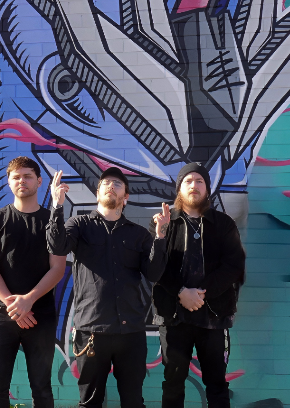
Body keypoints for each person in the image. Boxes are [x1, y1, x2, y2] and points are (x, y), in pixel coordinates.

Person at [46, 166, 170, 408]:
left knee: (133, 402)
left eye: (117, 184)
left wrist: (160, 237)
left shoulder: (138, 234)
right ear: (97, 192)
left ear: (126, 197)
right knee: (89, 402)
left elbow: (154, 273)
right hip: (91, 331)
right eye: (106, 183)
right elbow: (56, 246)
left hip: (131, 332)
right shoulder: (79, 224)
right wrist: (57, 206)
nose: (111, 186)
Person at [150, 163, 246, 408]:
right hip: (173, 317)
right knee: (173, 384)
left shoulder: (223, 224)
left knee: (217, 384)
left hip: (213, 316)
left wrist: (202, 293)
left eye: (199, 181)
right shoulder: (163, 223)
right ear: (179, 188)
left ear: (207, 188)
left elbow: (234, 265)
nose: (194, 186)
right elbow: (155, 268)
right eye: (188, 181)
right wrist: (181, 292)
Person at [0, 156, 66, 408]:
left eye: (27, 176)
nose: (22, 181)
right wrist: (15, 306)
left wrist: (28, 300)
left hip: (40, 315)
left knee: (42, 387)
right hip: (1, 313)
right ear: (9, 182)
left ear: (39, 181)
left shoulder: (52, 221)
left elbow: (58, 268)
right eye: (16, 177)